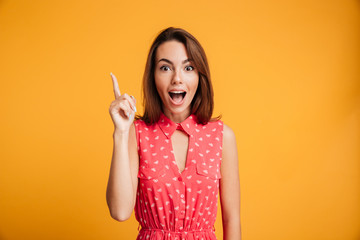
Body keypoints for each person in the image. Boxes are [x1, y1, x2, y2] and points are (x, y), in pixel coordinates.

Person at [106, 27, 241, 240]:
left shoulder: (222, 136)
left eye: (188, 68)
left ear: (200, 76)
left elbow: (231, 219)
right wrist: (121, 133)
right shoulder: (137, 133)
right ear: (153, 77)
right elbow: (120, 211)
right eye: (166, 68)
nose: (177, 78)